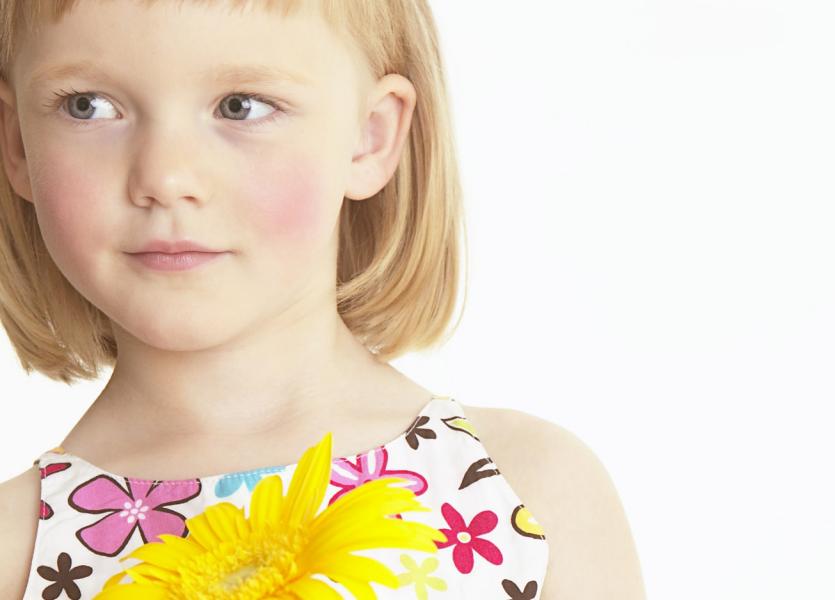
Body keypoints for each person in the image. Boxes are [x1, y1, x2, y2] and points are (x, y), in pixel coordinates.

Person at [0, 0, 644, 598]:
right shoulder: (15, 555)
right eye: (87, 106)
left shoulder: (524, 493)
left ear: (371, 135)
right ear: (16, 142)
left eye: (241, 106)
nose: (165, 177)